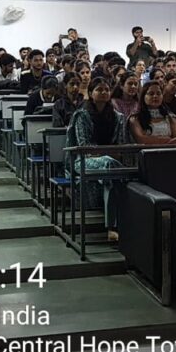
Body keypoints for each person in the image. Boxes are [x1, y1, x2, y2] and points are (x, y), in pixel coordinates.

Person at [65, 78, 126, 239]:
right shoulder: (82, 115)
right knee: (112, 166)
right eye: (99, 89)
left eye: (106, 89)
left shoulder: (117, 116)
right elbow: (84, 146)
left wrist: (111, 154)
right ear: (91, 93)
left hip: (111, 162)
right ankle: (115, 225)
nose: (104, 92)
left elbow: (120, 144)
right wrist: (108, 154)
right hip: (83, 160)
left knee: (112, 176)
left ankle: (113, 226)